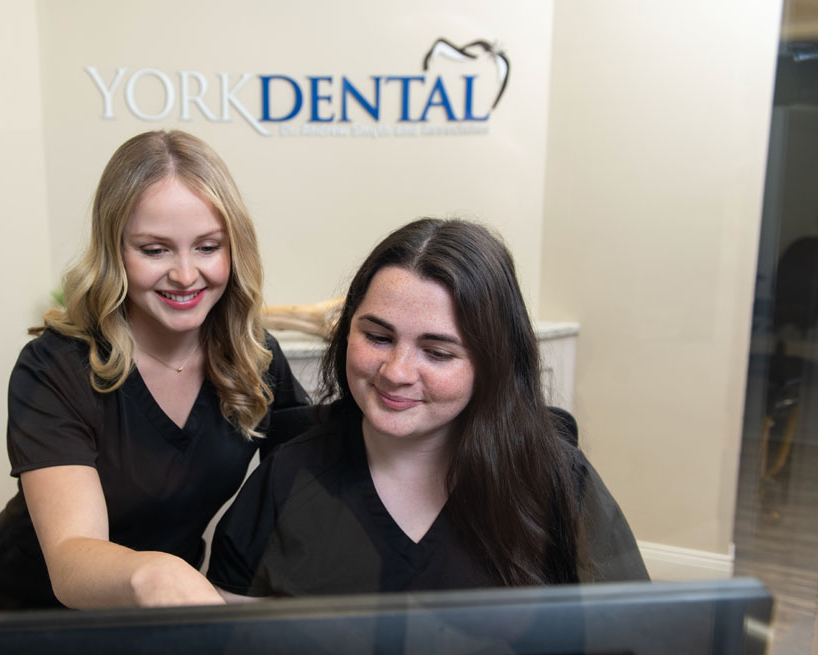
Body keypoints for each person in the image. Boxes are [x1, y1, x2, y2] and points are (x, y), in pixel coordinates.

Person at [208, 218, 648, 598]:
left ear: (493, 364)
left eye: (437, 353)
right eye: (377, 338)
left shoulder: (559, 483)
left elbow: (639, 653)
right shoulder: (287, 478)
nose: (396, 372)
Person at [0, 130, 308, 611]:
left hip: (164, 609)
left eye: (209, 247)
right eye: (155, 250)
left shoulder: (254, 357)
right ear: (115, 252)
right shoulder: (54, 368)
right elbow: (70, 560)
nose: (186, 275)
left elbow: (313, 471)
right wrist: (161, 573)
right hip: (33, 615)